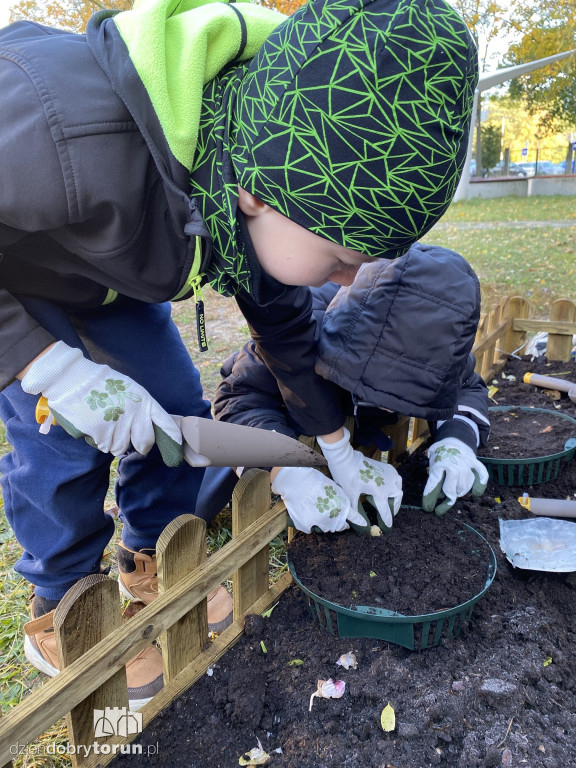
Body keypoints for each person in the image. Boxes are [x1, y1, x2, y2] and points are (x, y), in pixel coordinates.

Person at [0, 0, 478, 707]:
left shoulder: (257, 172)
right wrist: (46, 365)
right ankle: (62, 602)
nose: (348, 283)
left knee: (171, 403)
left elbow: (287, 336)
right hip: (17, 281)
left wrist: (335, 447)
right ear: (258, 196)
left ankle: (151, 556)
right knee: (62, 444)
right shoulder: (57, 127)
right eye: (342, 260)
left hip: (106, 276)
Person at [201, 243, 490, 531]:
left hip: (351, 425)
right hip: (284, 421)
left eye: (401, 397)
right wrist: (286, 472)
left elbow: (466, 388)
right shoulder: (301, 334)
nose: (388, 407)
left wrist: (456, 440)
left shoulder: (441, 360)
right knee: (214, 488)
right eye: (376, 388)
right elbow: (237, 401)